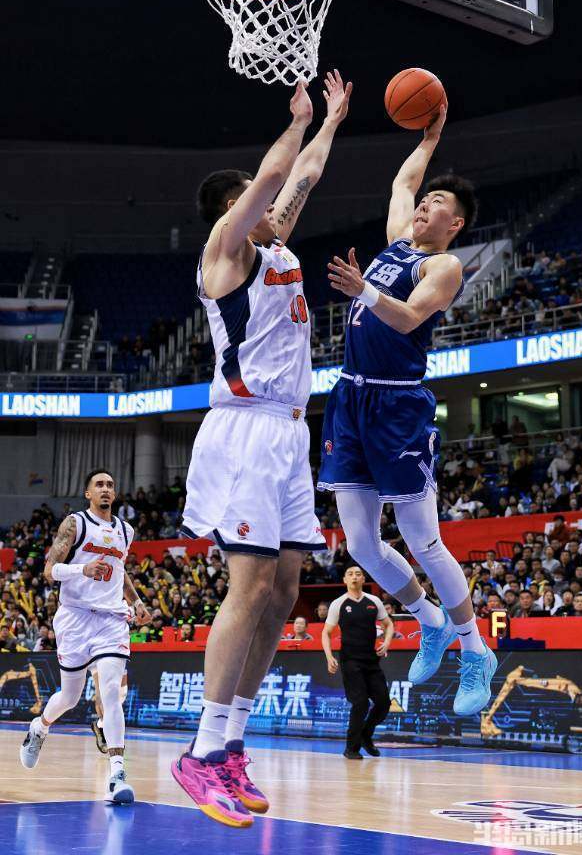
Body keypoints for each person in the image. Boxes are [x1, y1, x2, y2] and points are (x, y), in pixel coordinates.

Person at [174, 73, 352, 829]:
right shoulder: (224, 253)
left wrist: (331, 123)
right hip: (243, 429)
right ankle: (198, 754)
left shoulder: (275, 248)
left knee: (282, 592)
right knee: (246, 590)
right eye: (253, 200)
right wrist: (297, 119)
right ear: (233, 209)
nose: (271, 207)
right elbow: (279, 173)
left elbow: (301, 176)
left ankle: (232, 745)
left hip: (289, 430)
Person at [318, 106, 497, 716]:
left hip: (397, 403)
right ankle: (430, 620)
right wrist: (431, 137)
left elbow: (409, 316)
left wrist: (363, 290)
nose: (424, 204)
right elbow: (402, 182)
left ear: (457, 222)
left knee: (423, 539)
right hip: (350, 397)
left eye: (437, 202)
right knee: (361, 544)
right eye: (425, 200)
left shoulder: (443, 265)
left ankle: (475, 649)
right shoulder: (399, 241)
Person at [19, 469, 151, 804]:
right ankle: (40, 727)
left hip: (111, 619)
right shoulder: (75, 524)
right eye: (99, 485)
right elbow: (49, 571)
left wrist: (136, 602)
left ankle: (117, 775)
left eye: (110, 485)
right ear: (88, 493)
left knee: (111, 692)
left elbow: (120, 572)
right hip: (75, 618)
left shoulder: (125, 530)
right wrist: (83, 569)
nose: (106, 489)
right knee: (70, 697)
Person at [322, 566, 393, 759]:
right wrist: (329, 656)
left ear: (363, 579)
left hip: (371, 660)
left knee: (384, 703)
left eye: (358, 574)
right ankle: (351, 748)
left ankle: (366, 735)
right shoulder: (338, 603)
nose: (354, 577)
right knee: (360, 703)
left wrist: (386, 643)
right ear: (344, 580)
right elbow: (326, 633)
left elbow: (388, 625)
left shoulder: (374, 601)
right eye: (350, 574)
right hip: (350, 660)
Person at [90, 663, 129, 755]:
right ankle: (113, 739)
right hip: (97, 658)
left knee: (121, 694)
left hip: (117, 656)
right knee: (102, 696)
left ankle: (100, 725)